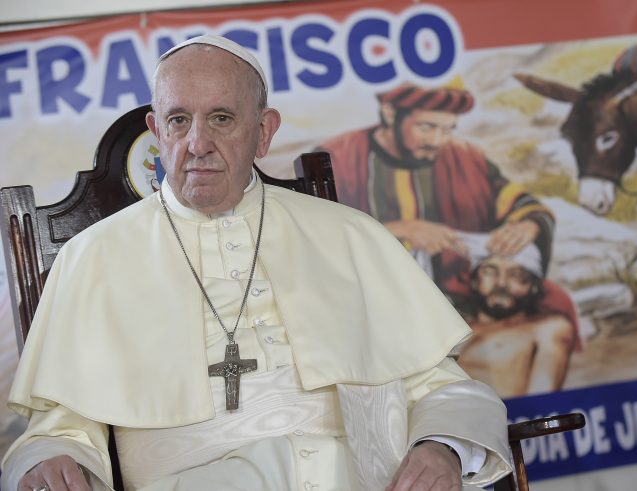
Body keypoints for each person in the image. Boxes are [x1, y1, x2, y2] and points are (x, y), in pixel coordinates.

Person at [1, 35, 512, 491]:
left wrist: (440, 448)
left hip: (368, 474)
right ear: (157, 131)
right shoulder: (93, 257)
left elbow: (441, 389)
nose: (197, 144)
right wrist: (51, 459)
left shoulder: (349, 235)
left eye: (221, 118)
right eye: (179, 121)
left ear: (264, 132)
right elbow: (61, 430)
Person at [315, 83, 554, 299]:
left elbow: (519, 201)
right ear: (390, 114)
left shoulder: (467, 158)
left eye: (448, 130)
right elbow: (311, 236)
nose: (437, 141)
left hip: (458, 305)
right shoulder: (332, 159)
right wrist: (398, 230)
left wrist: (530, 225)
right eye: (426, 127)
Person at [457, 247, 579, 397]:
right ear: (475, 281)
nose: (501, 283)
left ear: (534, 286)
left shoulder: (547, 328)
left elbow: (541, 401)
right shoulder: (455, 329)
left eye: (516, 275)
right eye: (490, 272)